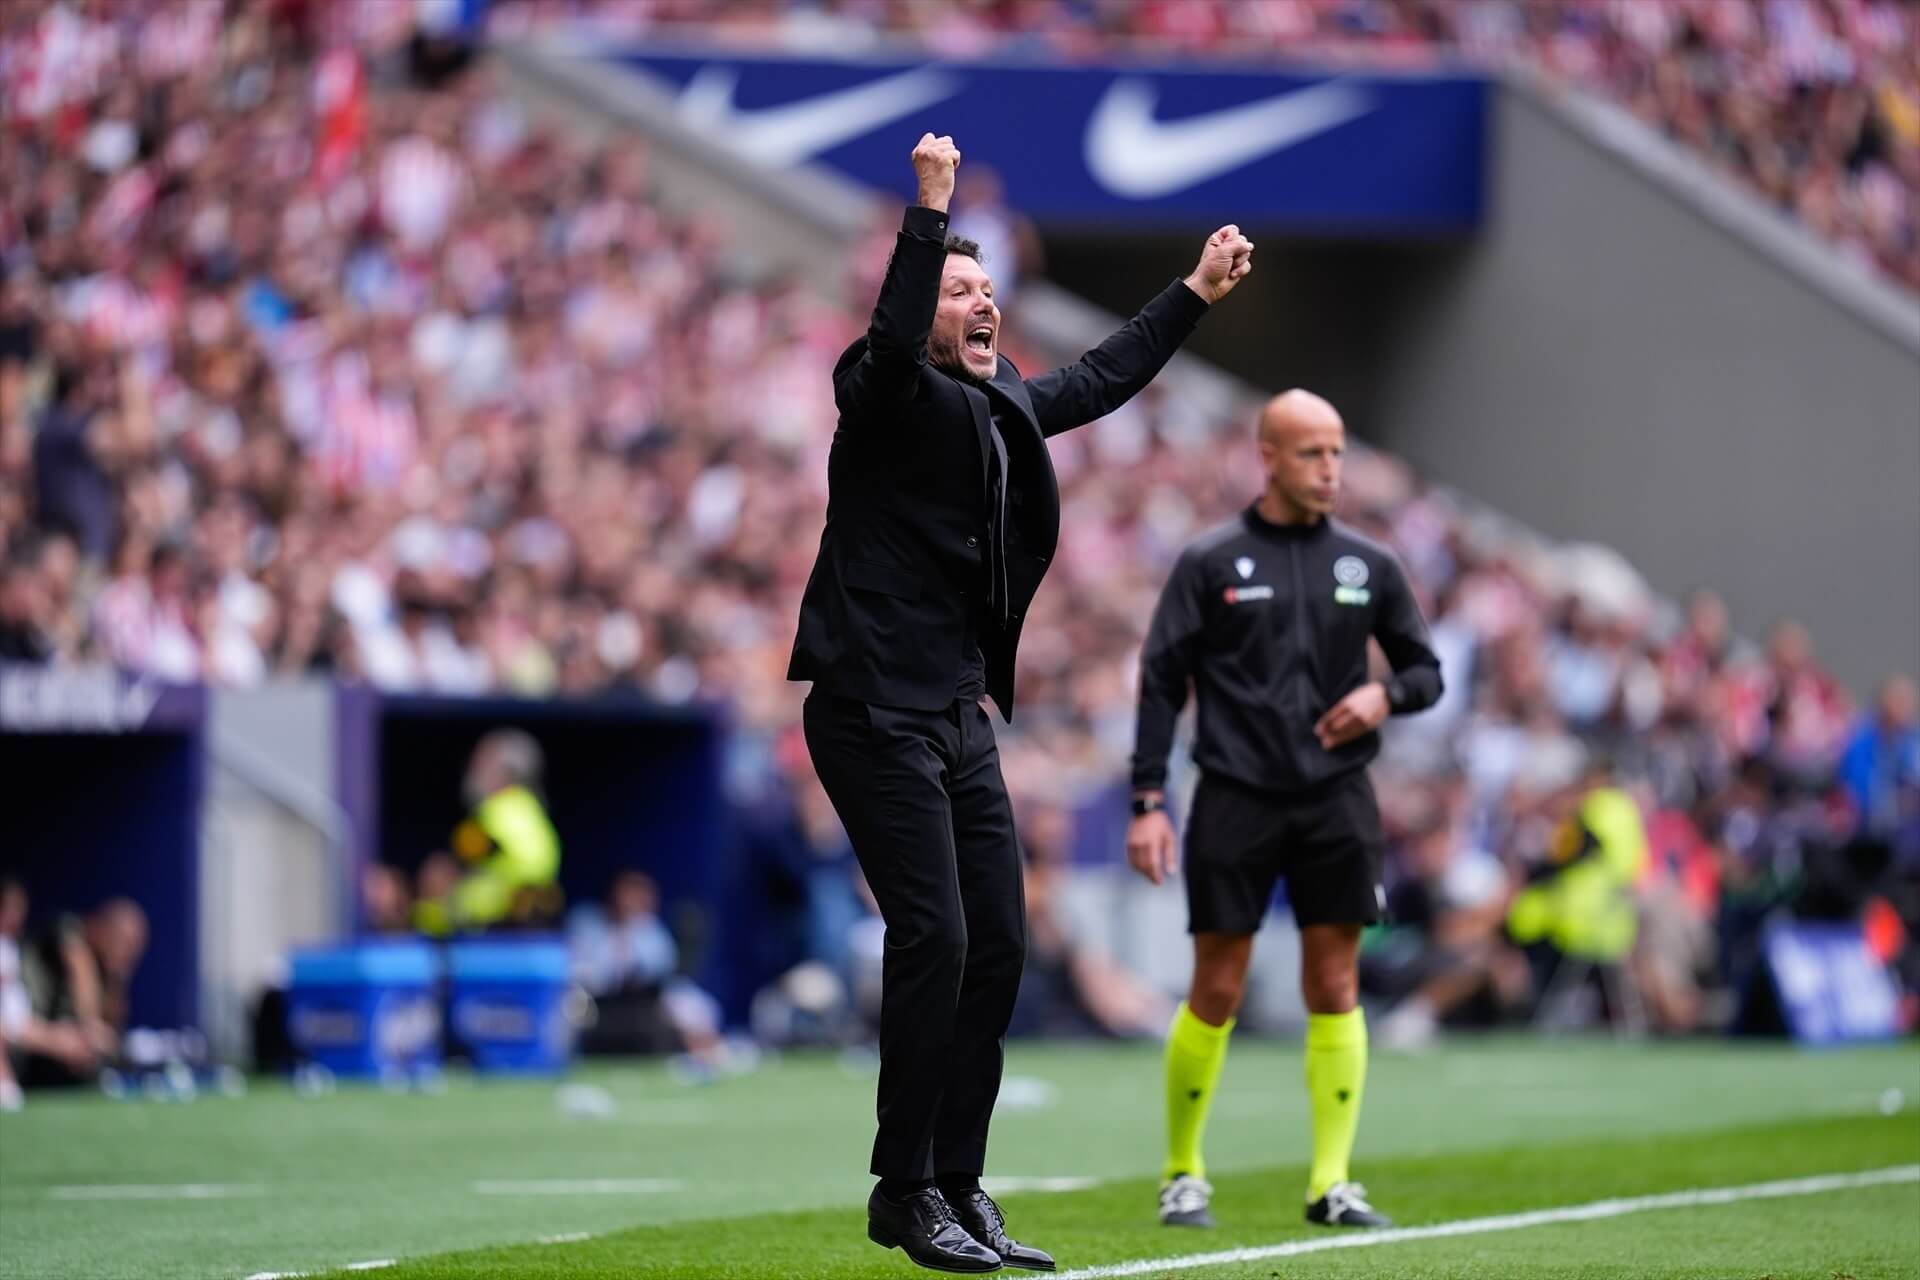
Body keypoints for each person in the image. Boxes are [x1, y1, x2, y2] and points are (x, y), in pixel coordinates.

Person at [790, 131, 1252, 1274]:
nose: (980, 302)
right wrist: (930, 214)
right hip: (867, 710)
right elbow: (895, 341)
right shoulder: (880, 389)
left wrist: (1191, 293)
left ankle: (957, 1180)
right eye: (960, 289)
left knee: (998, 941)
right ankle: (902, 1191)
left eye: (988, 289)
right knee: (935, 934)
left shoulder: (1000, 413)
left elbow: (1098, 378)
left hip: (952, 713)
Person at [1127, 390, 1441, 1231]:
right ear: (1268, 457)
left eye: (1337, 452)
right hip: (1234, 796)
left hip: (1338, 798)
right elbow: (1161, 680)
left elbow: (1425, 671)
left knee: (1335, 981)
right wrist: (1149, 800)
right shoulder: (1210, 560)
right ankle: (1182, 1169)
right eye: (1312, 453)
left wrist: (1383, 695)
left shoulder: (1368, 564)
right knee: (1217, 986)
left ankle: (1331, 1181)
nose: (1330, 469)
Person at [412, 729, 562, 935]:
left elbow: (533, 870)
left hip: (505, 936)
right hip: (494, 934)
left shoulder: (505, 810)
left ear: (507, 773)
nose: (472, 771)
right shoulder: (521, 808)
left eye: (482, 763)